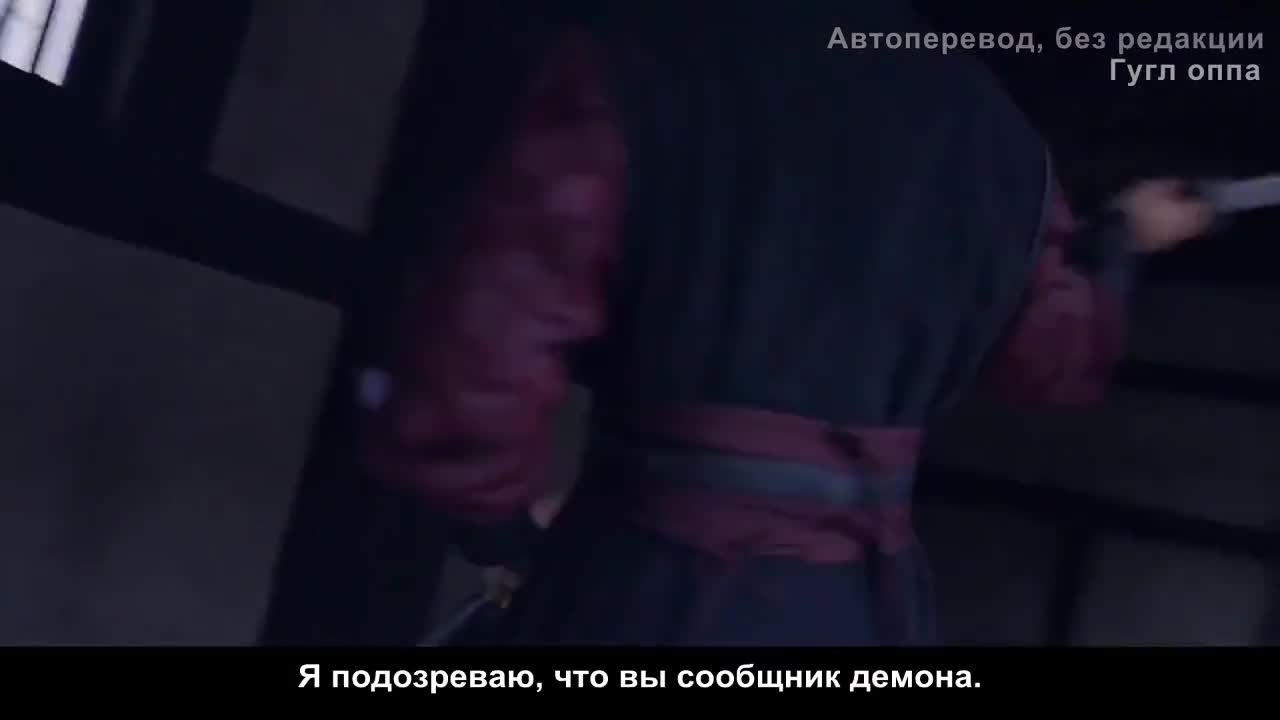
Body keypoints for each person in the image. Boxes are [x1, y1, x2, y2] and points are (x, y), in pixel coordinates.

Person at [357, 1, 1215, 646]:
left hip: (650, 580)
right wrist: (1118, 244)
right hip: (860, 607)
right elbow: (1055, 361)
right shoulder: (1005, 147)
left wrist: (501, 534)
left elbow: (479, 360)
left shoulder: (646, 56)